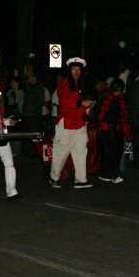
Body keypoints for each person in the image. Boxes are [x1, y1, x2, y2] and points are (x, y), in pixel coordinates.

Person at [48, 57, 94, 189]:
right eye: (74, 69)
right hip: (66, 123)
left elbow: (83, 100)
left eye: (78, 69)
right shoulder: (64, 83)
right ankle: (54, 177)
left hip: (79, 124)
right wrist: (81, 103)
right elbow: (64, 101)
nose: (76, 72)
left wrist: (88, 106)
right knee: (60, 152)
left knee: (81, 151)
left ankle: (81, 179)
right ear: (70, 70)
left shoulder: (82, 83)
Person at [95, 78, 132, 183]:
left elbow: (125, 113)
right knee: (112, 151)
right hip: (105, 128)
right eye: (117, 90)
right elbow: (96, 111)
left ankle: (105, 174)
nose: (118, 92)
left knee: (111, 151)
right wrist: (96, 122)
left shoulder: (121, 100)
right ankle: (115, 175)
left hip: (116, 129)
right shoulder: (105, 98)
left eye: (120, 90)